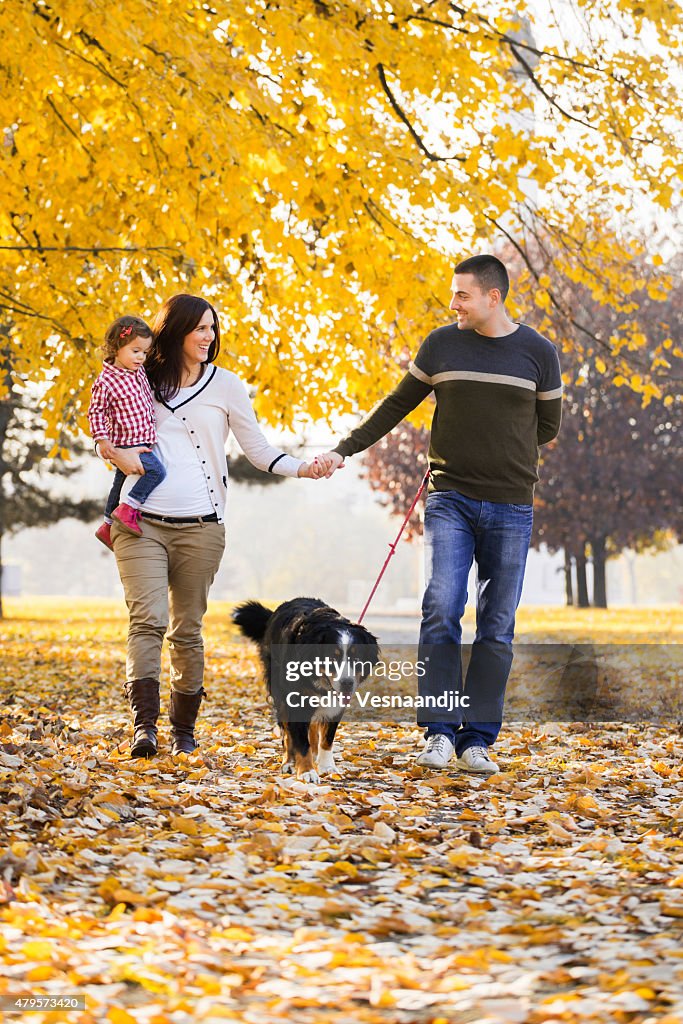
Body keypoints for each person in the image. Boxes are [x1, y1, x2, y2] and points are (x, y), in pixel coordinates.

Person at [322, 255, 563, 775]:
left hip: (512, 505)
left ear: (492, 298)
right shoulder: (441, 345)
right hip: (449, 498)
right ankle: (438, 731)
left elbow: (546, 426)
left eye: (462, 295)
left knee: (497, 626)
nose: (452, 303)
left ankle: (478, 739)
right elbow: (395, 405)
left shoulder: (538, 353)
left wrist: (501, 451)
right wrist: (344, 449)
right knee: (442, 609)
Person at [101, 294, 330, 759]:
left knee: (186, 630)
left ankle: (183, 732)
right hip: (139, 520)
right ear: (176, 330)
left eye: (212, 328)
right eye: (199, 328)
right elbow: (104, 420)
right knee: (147, 621)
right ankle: (144, 728)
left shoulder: (226, 386)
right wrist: (110, 451)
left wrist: (304, 468)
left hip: (201, 526)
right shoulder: (138, 375)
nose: (208, 336)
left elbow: (259, 450)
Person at [88, 316, 167, 551]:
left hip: (143, 437)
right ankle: (129, 507)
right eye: (135, 351)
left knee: (118, 482)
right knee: (156, 472)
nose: (141, 357)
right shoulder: (107, 381)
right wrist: (102, 440)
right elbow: (96, 411)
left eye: (144, 352)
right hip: (127, 443)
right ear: (116, 348)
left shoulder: (138, 371)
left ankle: (106, 525)